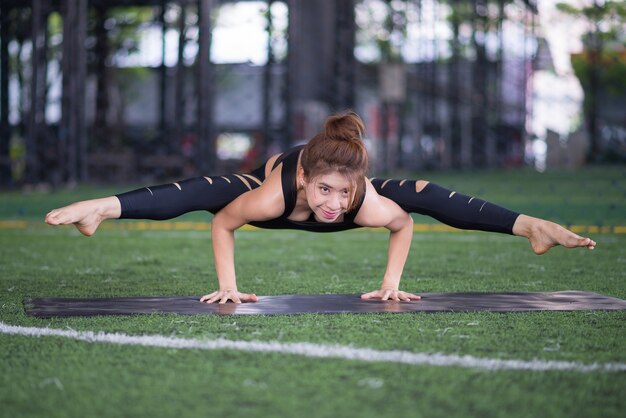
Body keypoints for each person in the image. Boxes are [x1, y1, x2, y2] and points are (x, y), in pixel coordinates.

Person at [45, 111, 596, 304]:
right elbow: (222, 221)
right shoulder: (276, 193)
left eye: (344, 194)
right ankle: (102, 207)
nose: (334, 205)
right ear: (306, 180)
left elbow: (403, 226)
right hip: (275, 179)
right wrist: (229, 286)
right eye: (325, 191)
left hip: (346, 170)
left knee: (425, 193)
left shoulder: (365, 200)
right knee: (207, 188)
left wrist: (391, 282)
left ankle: (532, 228)